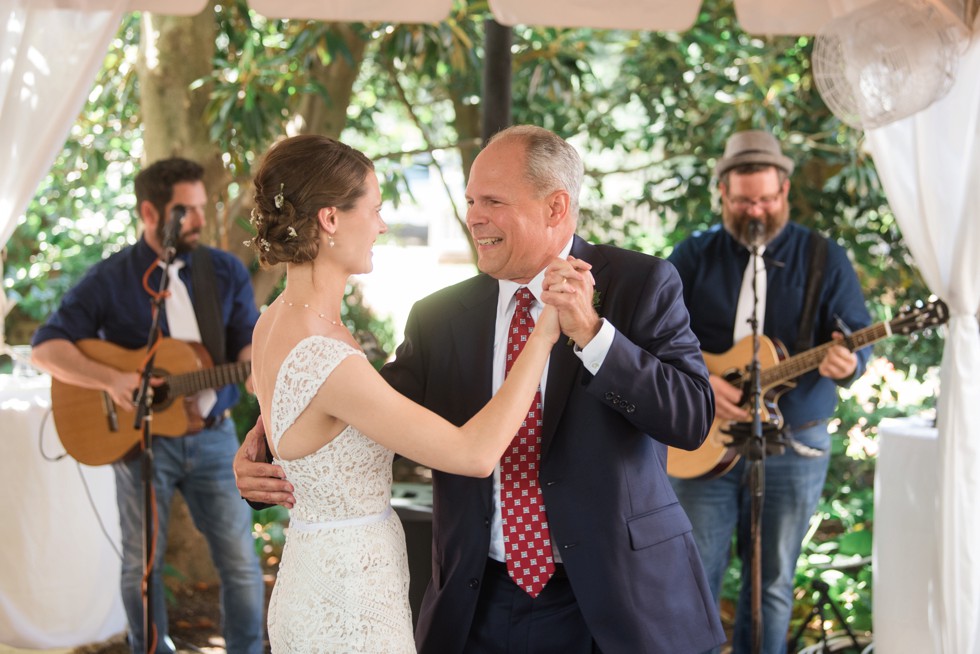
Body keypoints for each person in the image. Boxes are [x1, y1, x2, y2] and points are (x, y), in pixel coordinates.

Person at [236, 125, 727, 653]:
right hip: (480, 605)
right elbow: (354, 405)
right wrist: (262, 447)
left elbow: (692, 419)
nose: (473, 216)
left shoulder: (641, 283)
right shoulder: (439, 316)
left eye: (492, 201)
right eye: (471, 200)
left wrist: (591, 334)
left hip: (621, 604)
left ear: (555, 207)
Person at [244, 133, 573, 652]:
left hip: (318, 572)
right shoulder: (324, 354)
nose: (381, 225)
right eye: (373, 210)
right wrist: (545, 332)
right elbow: (473, 452)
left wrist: (256, 445)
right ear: (330, 220)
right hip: (349, 599)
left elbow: (294, 419)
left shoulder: (274, 323)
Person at [30, 158, 265, 654]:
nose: (200, 220)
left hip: (214, 437)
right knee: (142, 566)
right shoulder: (112, 277)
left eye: (202, 208)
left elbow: (247, 346)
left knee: (241, 562)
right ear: (150, 213)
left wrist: (260, 369)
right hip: (138, 443)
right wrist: (114, 379)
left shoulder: (223, 271)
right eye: (186, 210)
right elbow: (45, 347)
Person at [667, 130, 873, 654]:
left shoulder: (825, 258)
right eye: (742, 200)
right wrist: (701, 381)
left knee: (772, 584)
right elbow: (654, 335)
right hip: (702, 441)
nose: (754, 210)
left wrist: (848, 361)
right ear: (722, 195)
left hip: (792, 445)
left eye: (765, 199)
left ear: (784, 192)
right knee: (694, 577)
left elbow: (857, 340)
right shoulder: (693, 255)